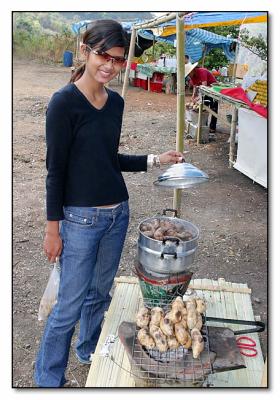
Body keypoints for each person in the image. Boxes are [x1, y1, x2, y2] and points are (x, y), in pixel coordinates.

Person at [34, 19, 184, 387]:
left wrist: (155, 160)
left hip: (117, 215)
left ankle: (88, 349)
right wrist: (53, 230)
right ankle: (48, 380)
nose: (111, 66)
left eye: (119, 60)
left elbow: (107, 158)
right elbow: (56, 172)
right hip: (80, 221)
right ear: (86, 51)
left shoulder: (115, 102)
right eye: (105, 56)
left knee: (100, 293)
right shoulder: (63, 103)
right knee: (68, 305)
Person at [185, 62, 218, 134]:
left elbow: (204, 86)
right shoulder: (192, 76)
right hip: (205, 91)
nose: (189, 76)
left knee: (213, 108)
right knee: (204, 108)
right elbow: (195, 87)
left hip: (213, 90)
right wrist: (193, 96)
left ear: (192, 70)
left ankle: (213, 127)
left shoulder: (202, 71)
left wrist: (198, 97)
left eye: (189, 73)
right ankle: (204, 125)